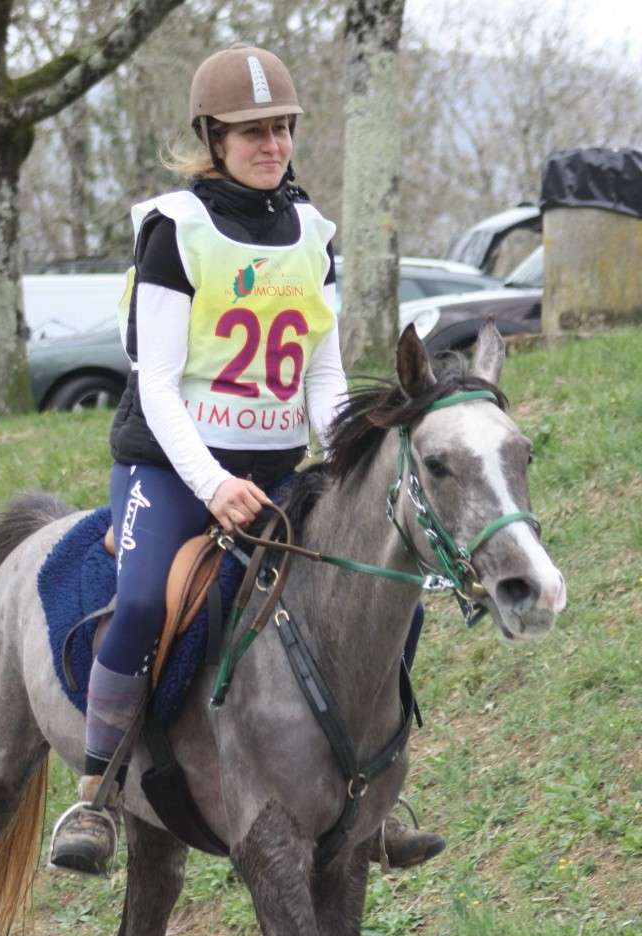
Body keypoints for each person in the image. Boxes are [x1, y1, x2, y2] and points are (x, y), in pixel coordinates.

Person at [50, 44, 443, 876]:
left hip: (274, 467)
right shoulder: (175, 232)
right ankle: (95, 792)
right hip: (168, 466)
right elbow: (155, 383)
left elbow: (324, 372)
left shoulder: (312, 235)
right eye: (253, 131)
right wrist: (214, 483)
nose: (273, 144)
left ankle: (374, 794)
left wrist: (344, 464)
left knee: (388, 584)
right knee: (145, 601)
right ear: (214, 137)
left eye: (284, 128)